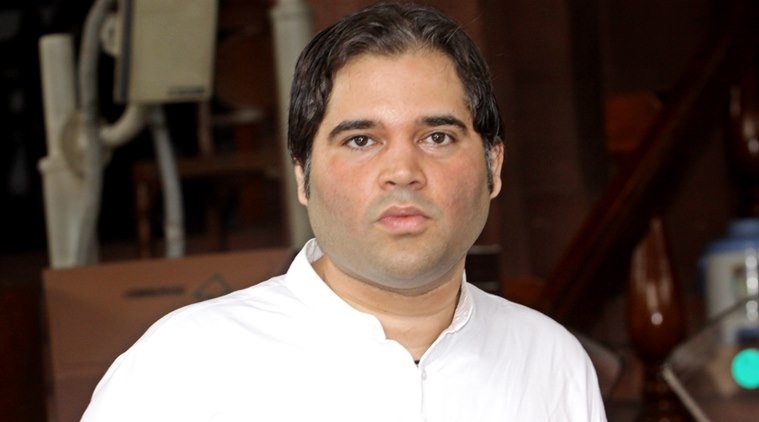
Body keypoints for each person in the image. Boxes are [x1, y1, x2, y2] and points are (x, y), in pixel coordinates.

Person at [82, 2, 606, 421]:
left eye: (437, 136)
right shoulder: (185, 366)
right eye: (361, 140)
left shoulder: (551, 363)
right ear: (302, 175)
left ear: (493, 165)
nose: (402, 171)